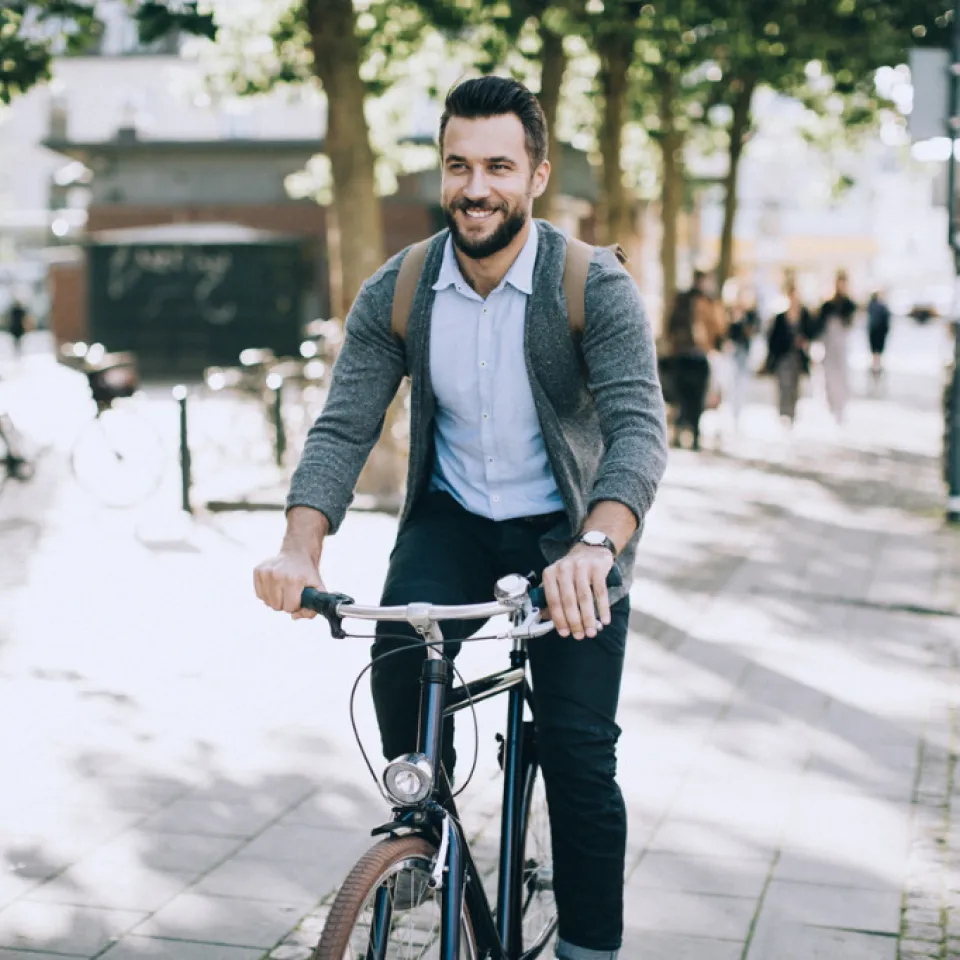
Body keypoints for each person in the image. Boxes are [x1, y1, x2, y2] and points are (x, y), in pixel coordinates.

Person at [253, 76, 668, 960]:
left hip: (568, 535)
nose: (475, 187)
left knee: (581, 762)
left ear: (537, 175)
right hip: (454, 518)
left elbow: (638, 433)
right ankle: (422, 834)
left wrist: (597, 546)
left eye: (498, 167)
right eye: (458, 165)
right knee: (398, 647)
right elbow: (343, 427)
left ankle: (590, 949)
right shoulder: (401, 290)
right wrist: (299, 548)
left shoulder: (593, 285)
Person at [660, 269, 725, 450]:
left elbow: (718, 330)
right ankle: (684, 432)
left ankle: (692, 433)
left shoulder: (708, 302)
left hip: (696, 354)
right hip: (685, 353)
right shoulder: (685, 300)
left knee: (694, 397)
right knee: (685, 396)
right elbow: (671, 325)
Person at [764, 281, 816, 426]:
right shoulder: (780, 317)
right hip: (783, 357)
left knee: (795, 387)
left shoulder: (804, 315)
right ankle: (783, 413)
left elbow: (811, 333)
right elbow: (773, 338)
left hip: (798, 358)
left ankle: (792, 413)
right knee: (783, 386)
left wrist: (805, 344)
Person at [816, 270, 857, 424]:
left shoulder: (849, 305)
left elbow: (851, 325)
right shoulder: (828, 305)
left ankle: (840, 408)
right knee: (829, 378)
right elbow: (819, 328)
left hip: (843, 349)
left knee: (842, 379)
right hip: (829, 348)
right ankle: (832, 405)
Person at [724, 282, 760, 430]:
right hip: (733, 351)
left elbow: (754, 332)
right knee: (732, 381)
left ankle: (738, 412)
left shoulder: (751, 315)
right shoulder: (730, 312)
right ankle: (732, 411)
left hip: (744, 352)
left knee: (742, 381)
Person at [867, 290, 891, 381]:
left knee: (875, 352)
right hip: (878, 333)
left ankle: (876, 366)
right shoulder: (882, 307)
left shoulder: (872, 306)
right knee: (877, 352)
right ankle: (876, 367)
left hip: (874, 332)